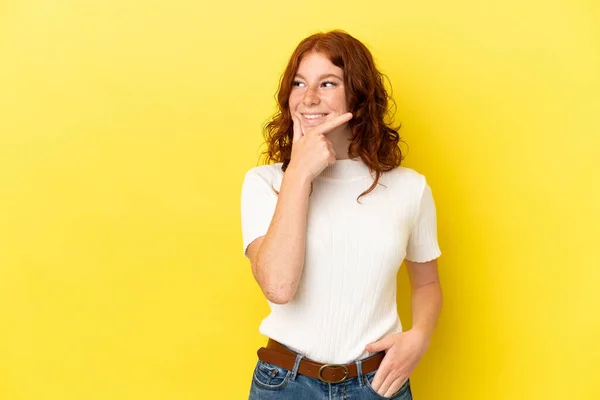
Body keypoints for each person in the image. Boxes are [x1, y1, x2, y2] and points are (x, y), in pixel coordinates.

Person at [240, 30, 443, 400]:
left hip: (378, 384)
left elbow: (427, 283)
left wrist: (419, 338)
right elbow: (279, 287)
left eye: (328, 83)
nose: (309, 98)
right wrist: (299, 173)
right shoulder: (264, 183)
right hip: (284, 384)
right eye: (299, 83)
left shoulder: (409, 189)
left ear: (359, 95)